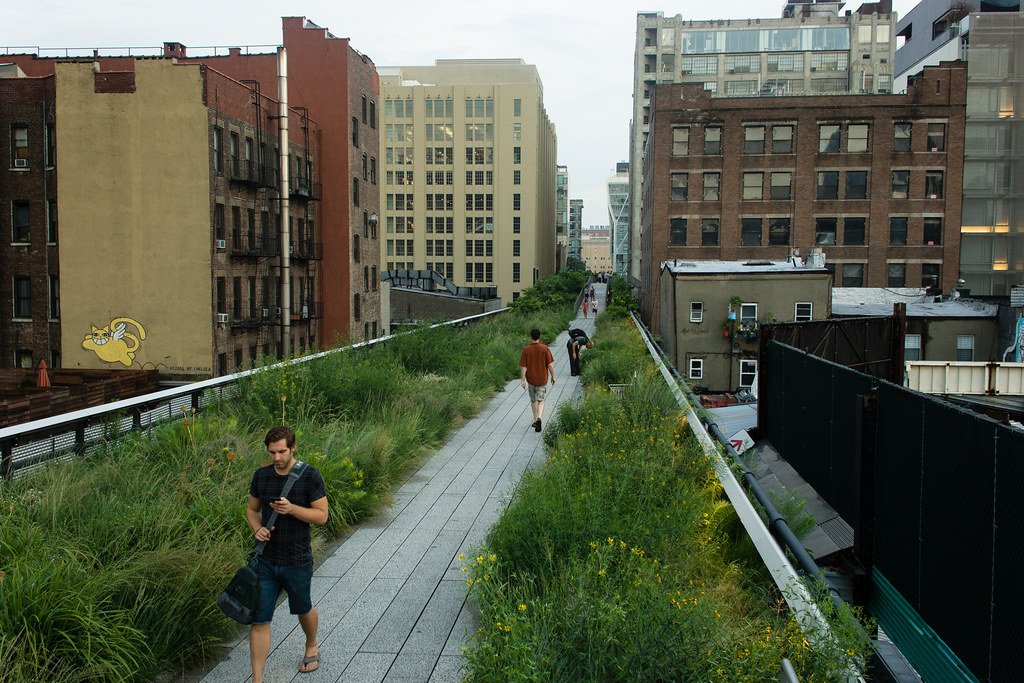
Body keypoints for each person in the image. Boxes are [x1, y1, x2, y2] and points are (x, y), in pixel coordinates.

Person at [247, 425, 329, 679]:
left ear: (293, 447)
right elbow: (251, 510)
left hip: (297, 559)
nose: (277, 458)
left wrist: (292, 509)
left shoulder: (310, 476)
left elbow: (322, 516)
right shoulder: (261, 476)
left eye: (282, 451)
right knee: (259, 619)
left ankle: (311, 643)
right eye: (272, 452)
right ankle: (257, 679)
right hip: (266, 560)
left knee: (302, 607)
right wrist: (257, 528)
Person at [519, 328, 555, 432]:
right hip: (542, 379)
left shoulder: (526, 349)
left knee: (533, 400)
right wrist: (553, 376)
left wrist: (523, 379)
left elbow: (524, 367)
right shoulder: (545, 349)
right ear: (539, 337)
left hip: (531, 379)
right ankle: (539, 417)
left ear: (531, 337)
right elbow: (550, 365)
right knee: (541, 400)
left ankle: (535, 420)